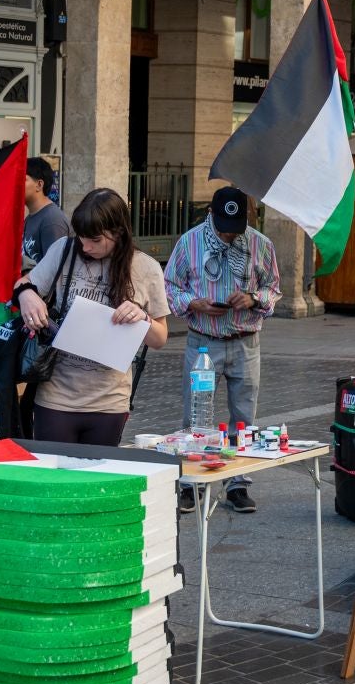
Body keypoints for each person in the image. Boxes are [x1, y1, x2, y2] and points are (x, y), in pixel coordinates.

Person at [14, 188, 169, 446]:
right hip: (56, 397)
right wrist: (26, 295)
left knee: (97, 472)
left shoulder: (146, 268)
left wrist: (143, 318)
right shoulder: (64, 250)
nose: (86, 247)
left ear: (118, 232)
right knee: (53, 470)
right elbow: (23, 283)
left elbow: (160, 338)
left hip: (109, 402)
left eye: (95, 240)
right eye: (82, 237)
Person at [163, 187, 279, 514]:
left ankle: (237, 483)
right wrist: (193, 303)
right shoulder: (189, 243)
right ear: (211, 214)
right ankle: (193, 482)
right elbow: (170, 285)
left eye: (236, 227)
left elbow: (273, 288)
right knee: (196, 414)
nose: (230, 234)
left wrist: (253, 299)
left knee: (244, 418)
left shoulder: (261, 244)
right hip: (203, 340)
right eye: (224, 227)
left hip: (246, 341)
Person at [21, 157, 69, 272]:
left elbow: (54, 270)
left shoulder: (52, 220)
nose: (17, 185)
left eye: (23, 179)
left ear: (39, 185)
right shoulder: (30, 218)